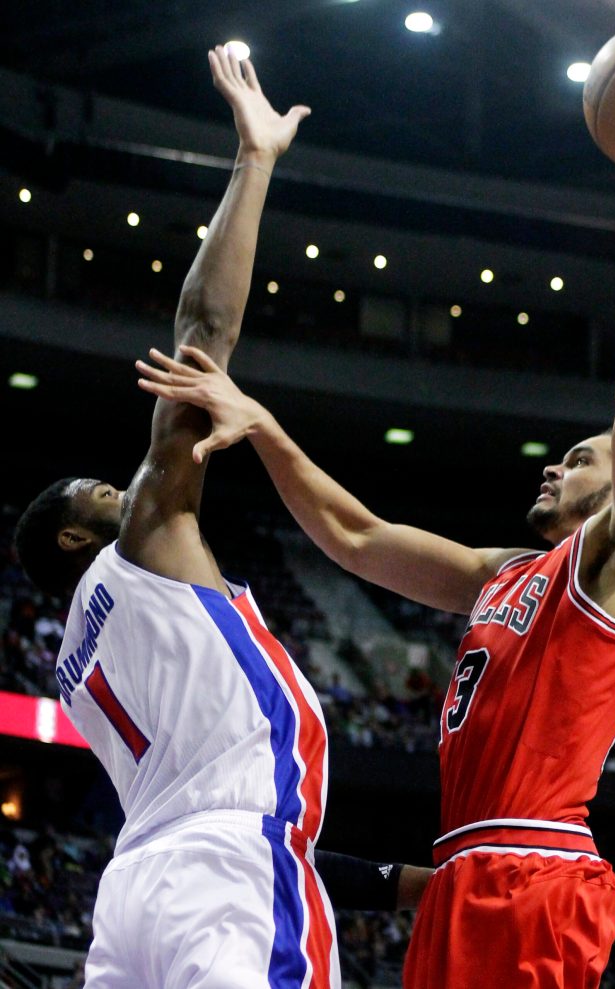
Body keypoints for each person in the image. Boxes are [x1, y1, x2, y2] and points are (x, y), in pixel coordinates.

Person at [133, 66, 615, 987]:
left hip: (534, 873)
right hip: (466, 869)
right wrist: (257, 421)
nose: (556, 463)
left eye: (580, 458)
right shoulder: (503, 571)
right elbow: (360, 537)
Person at [13, 47, 431, 989]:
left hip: (139, 890)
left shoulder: (81, 656)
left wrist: (410, 884)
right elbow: (203, 335)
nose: (118, 489)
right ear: (79, 540)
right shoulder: (143, 549)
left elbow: (226, 825)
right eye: (98, 493)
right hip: (221, 872)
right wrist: (254, 163)